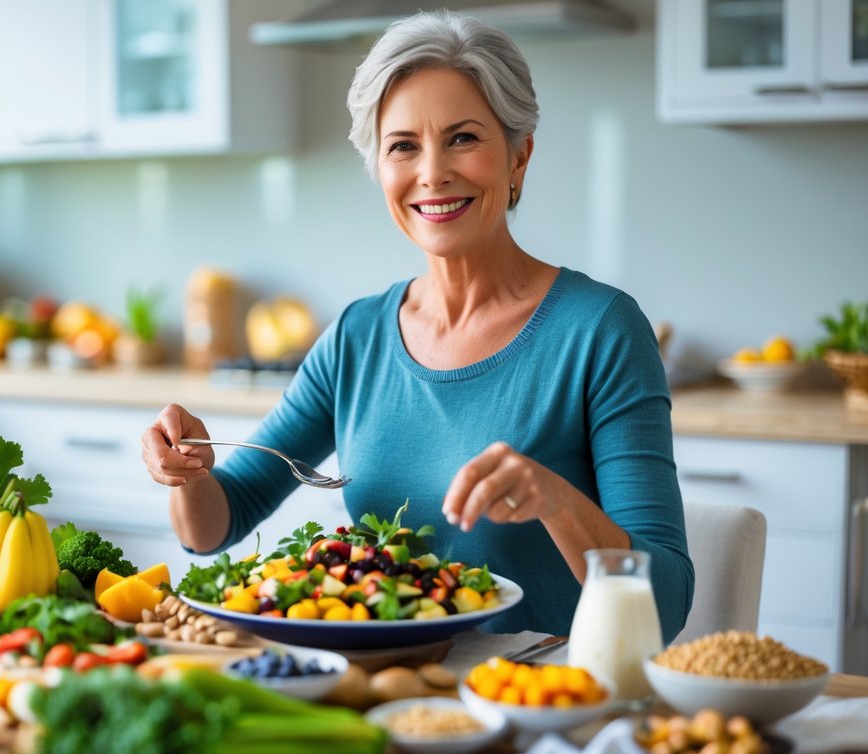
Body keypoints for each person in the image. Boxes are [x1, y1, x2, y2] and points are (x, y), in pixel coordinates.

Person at [139, 12, 693, 638]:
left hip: (546, 704)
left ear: (519, 156)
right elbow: (214, 528)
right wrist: (189, 470)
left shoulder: (601, 331)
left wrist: (558, 502)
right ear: (380, 168)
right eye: (403, 145)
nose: (432, 172)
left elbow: (665, 606)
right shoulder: (358, 337)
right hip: (389, 698)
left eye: (463, 138)